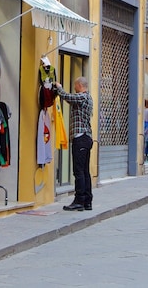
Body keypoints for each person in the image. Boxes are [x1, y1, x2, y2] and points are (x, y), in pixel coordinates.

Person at [55, 77, 94, 211]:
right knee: (85, 171)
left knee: (79, 171)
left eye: (75, 85)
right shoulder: (88, 97)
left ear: (79, 85)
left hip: (81, 137)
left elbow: (67, 97)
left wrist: (59, 88)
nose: (74, 87)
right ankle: (87, 201)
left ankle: (79, 200)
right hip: (86, 138)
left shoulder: (82, 97)